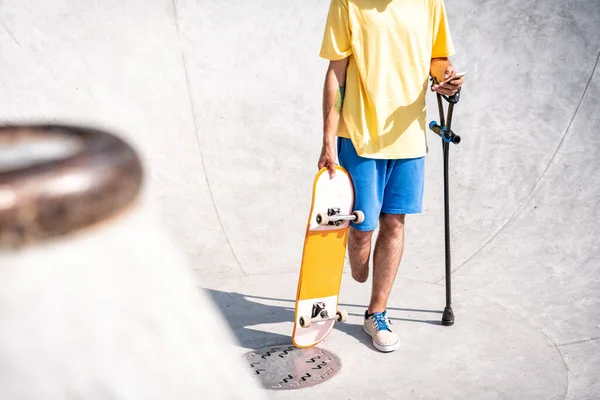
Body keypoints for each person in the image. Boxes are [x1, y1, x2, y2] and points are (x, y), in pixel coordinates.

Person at [318, 0, 463, 353]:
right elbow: (337, 73)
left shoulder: (429, 2)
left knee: (394, 223)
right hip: (360, 136)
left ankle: (376, 312)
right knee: (362, 232)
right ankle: (353, 274)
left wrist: (445, 79)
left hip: (409, 137)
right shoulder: (347, 4)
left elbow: (438, 58)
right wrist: (328, 140)